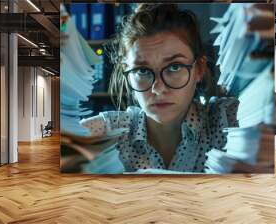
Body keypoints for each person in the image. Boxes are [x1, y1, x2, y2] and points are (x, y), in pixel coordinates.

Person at [81, 4, 239, 173]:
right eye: (142, 71)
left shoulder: (228, 122)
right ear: (126, 72)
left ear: (199, 69)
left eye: (175, 67)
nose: (158, 89)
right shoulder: (105, 132)